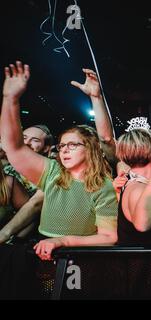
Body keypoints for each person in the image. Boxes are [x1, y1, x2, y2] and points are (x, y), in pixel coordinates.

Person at [1, 61, 118, 260]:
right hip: (44, 256)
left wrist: (63, 241)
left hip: (83, 260)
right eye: (62, 145)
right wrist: (10, 99)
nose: (64, 150)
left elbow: (108, 237)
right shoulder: (53, 171)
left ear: (89, 149)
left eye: (72, 145)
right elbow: (14, 147)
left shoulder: (102, 185)